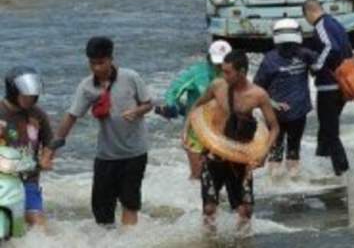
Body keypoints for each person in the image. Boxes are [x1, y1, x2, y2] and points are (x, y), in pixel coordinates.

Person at [51, 36, 153, 227]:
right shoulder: (87, 86)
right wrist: (55, 144)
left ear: (111, 59)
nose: (96, 68)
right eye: (92, 63)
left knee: (130, 202)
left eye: (101, 63)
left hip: (135, 153)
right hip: (106, 154)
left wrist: (137, 111)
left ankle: (127, 242)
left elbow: (148, 104)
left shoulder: (130, 77)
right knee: (101, 208)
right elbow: (72, 116)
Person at [188, 50, 279, 231]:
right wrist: (187, 133)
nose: (224, 75)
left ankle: (241, 241)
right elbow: (197, 107)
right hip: (216, 152)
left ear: (242, 71)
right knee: (209, 208)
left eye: (228, 72)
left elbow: (274, 127)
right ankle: (210, 241)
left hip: (241, 156)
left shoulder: (258, 95)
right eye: (223, 70)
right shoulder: (217, 86)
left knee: (246, 210)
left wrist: (264, 153)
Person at [155, 40, 232, 180]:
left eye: (224, 61)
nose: (219, 65)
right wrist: (171, 105)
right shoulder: (196, 73)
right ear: (209, 57)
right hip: (196, 128)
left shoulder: (234, 75)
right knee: (198, 174)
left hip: (222, 128)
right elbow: (174, 90)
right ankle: (194, 200)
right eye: (217, 61)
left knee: (220, 173)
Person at [253, 19, 316, 178]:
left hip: (278, 114)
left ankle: (276, 183)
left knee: (276, 150)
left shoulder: (270, 59)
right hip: (292, 112)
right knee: (293, 149)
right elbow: (319, 71)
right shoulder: (305, 55)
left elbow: (257, 87)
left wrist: (273, 103)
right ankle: (293, 182)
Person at [302, 0, 352, 177]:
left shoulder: (321, 26)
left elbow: (332, 48)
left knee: (330, 132)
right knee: (325, 130)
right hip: (342, 86)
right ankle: (321, 167)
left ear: (308, 13)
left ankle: (343, 171)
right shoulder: (336, 23)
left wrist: (316, 66)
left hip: (328, 87)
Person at [0, 66, 53, 228]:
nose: (30, 100)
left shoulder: (38, 114)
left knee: (38, 222)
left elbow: (49, 141)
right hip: (4, 179)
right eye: (26, 96)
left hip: (29, 177)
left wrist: (46, 158)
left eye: (33, 97)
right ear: (13, 91)